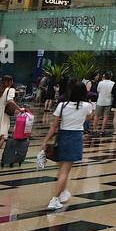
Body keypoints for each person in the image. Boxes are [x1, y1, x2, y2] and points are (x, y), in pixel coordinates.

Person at [40, 82, 92, 211]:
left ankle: (63, 192)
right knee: (65, 171)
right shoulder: (87, 106)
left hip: (62, 137)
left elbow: (54, 126)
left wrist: (45, 140)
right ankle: (54, 199)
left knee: (61, 169)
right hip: (75, 138)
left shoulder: (62, 106)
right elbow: (89, 118)